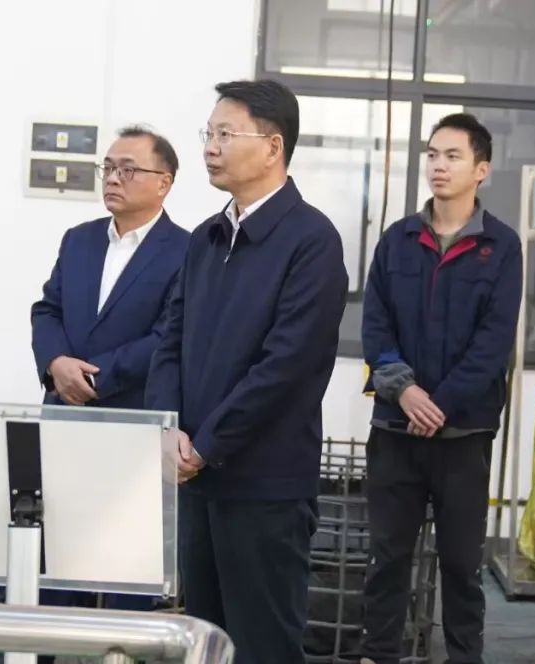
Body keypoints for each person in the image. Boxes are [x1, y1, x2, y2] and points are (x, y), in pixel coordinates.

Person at [145, 79, 348, 664]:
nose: (210, 147)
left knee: (262, 646)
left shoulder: (312, 241)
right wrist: (167, 429)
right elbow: (170, 340)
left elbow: (286, 367)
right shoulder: (206, 239)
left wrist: (206, 445)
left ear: (273, 146)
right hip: (198, 482)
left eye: (225, 134)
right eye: (208, 133)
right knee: (205, 641)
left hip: (265, 487)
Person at [359, 113, 521, 664]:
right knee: (386, 559)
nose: (438, 165)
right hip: (395, 430)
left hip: (463, 436)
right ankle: (378, 654)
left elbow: (492, 343)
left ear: (481, 169)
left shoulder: (501, 247)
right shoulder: (397, 240)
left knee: (460, 565)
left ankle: (463, 656)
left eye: (452, 156)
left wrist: (440, 405)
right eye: (432, 154)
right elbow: (375, 327)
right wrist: (405, 392)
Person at [30, 124, 190, 611]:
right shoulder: (79, 240)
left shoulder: (187, 251)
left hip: (134, 422)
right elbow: (47, 310)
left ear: (163, 182)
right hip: (66, 419)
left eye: (128, 169)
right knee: (59, 556)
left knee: (128, 564)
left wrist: (90, 378)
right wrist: (56, 363)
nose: (114, 178)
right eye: (109, 167)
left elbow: (169, 335)